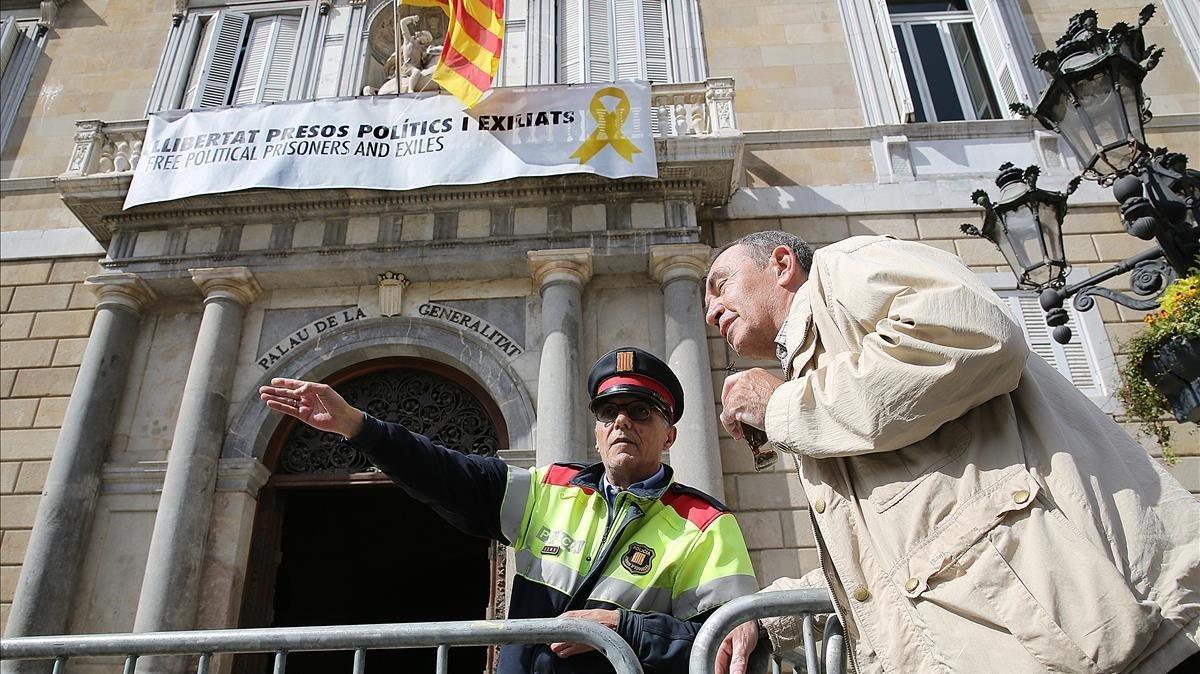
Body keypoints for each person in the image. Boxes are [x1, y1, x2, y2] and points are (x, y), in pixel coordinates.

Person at [703, 231, 1200, 673]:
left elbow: (972, 336)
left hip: (1136, 640)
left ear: (783, 264)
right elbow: (902, 548)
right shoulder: (817, 373)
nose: (710, 310)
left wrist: (782, 409)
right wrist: (768, 620)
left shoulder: (841, 269)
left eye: (721, 283)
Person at [260, 346, 757, 674]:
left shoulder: (705, 523)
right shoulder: (551, 487)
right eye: (609, 412)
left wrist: (624, 630)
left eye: (641, 412)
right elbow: (447, 474)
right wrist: (359, 427)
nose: (622, 421)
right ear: (597, 430)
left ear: (669, 434)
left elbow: (724, 644)